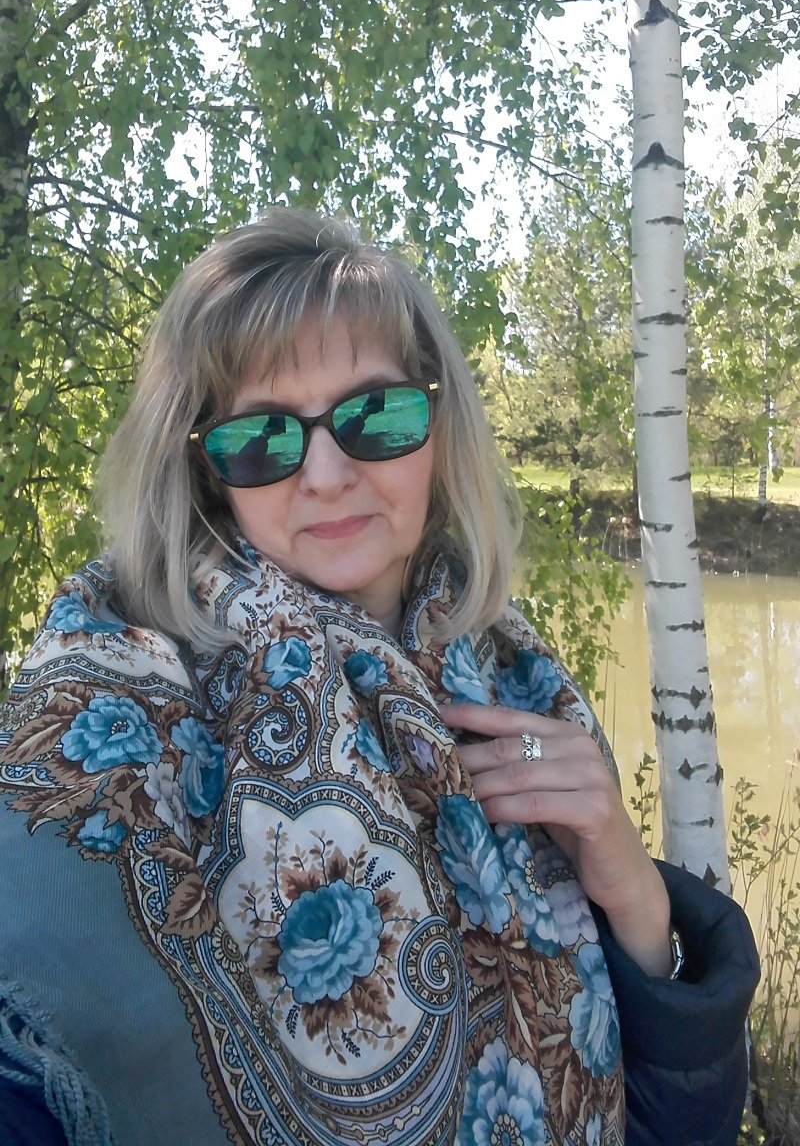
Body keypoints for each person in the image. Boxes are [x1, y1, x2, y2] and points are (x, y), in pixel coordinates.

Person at [0, 210, 758, 1146]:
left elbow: (669, 1124)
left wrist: (638, 906)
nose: (325, 474)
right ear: (207, 470)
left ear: (438, 427)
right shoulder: (126, 690)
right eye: (262, 439)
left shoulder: (517, 676)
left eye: (376, 416)